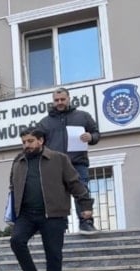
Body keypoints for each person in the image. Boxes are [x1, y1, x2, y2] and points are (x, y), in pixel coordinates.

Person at [9, 127, 94, 271]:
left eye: (30, 141)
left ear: (41, 141)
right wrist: (13, 210)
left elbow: (74, 183)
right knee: (16, 241)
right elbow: (13, 187)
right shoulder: (18, 161)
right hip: (26, 214)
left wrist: (85, 205)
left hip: (53, 214)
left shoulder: (59, 159)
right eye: (24, 142)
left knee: (53, 254)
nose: (26, 145)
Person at [37, 87, 100, 233]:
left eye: (62, 99)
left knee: (82, 191)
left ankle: (86, 222)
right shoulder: (44, 123)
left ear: (69, 99)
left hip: (78, 163)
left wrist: (91, 137)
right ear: (53, 101)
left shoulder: (83, 116)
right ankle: (60, 227)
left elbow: (96, 133)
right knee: (57, 196)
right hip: (55, 165)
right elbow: (38, 142)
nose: (59, 102)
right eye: (56, 100)